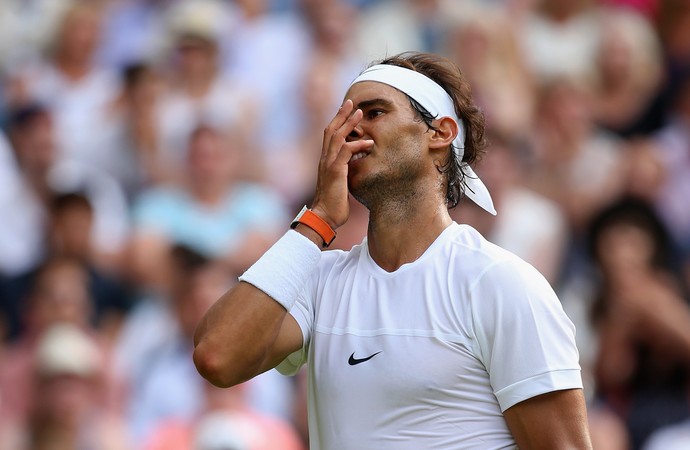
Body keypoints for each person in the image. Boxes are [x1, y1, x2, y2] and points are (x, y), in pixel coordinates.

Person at [193, 52, 592, 449]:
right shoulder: (319, 280)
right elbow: (217, 356)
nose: (351, 129)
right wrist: (318, 219)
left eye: (374, 112)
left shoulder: (500, 283)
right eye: (345, 117)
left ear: (440, 133)